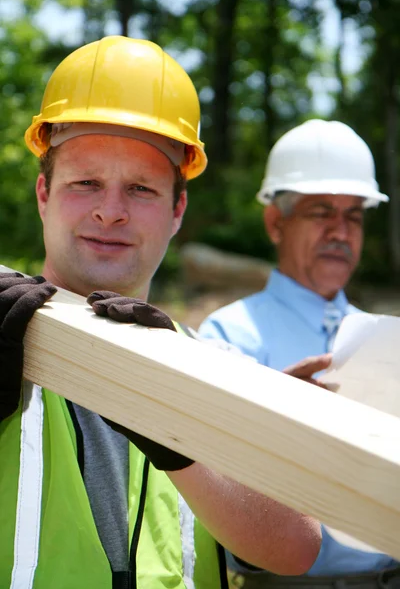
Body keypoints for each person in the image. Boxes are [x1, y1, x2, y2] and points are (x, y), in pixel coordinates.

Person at [0, 37, 321, 589]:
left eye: (141, 189)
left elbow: (294, 547)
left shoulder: (207, 360)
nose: (110, 210)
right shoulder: (0, 333)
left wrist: (177, 432)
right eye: (86, 183)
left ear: (177, 210)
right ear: (43, 194)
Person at [199, 119, 400, 587]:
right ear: (276, 222)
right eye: (321, 212)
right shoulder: (229, 336)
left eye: (354, 216)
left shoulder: (384, 341)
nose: (341, 231)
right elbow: (213, 497)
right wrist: (276, 427)